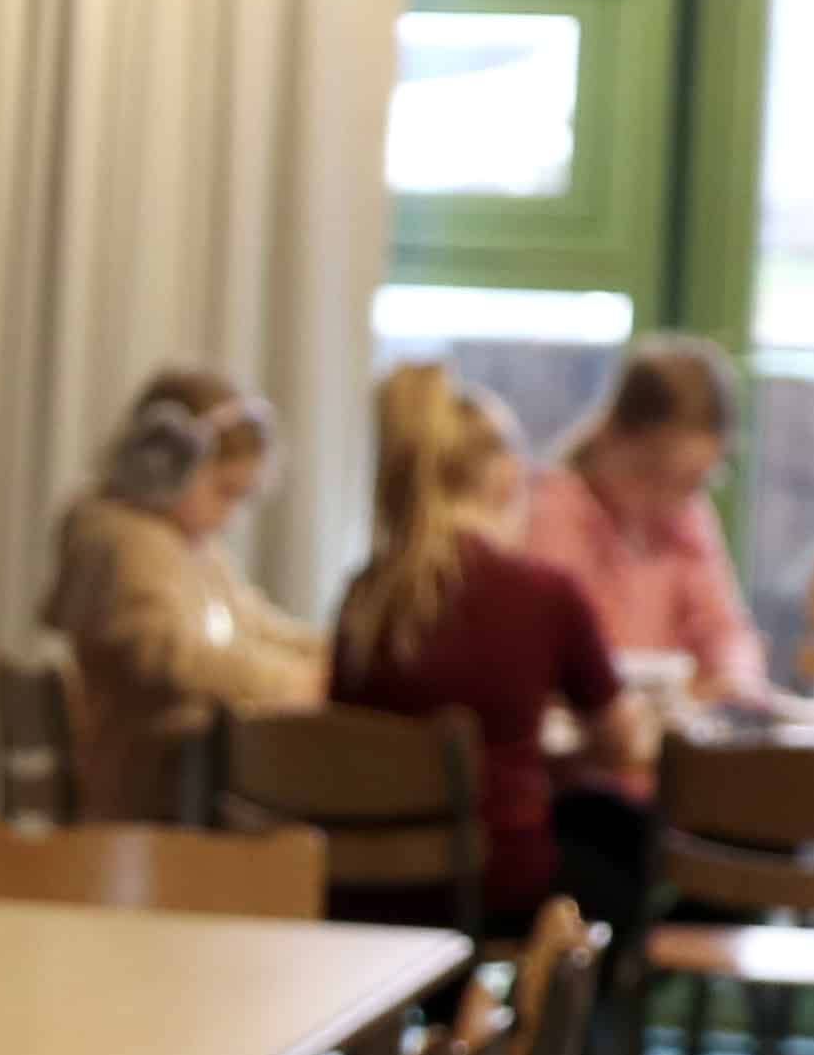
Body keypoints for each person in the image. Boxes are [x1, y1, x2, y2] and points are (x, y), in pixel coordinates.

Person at [336, 361, 645, 936]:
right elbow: (622, 744)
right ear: (505, 480)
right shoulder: (543, 594)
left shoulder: (365, 596)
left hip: (360, 886)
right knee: (629, 848)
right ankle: (568, 996)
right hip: (491, 883)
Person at [521, 332, 773, 902]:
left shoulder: (687, 516)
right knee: (614, 850)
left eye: (690, 484)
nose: (669, 499)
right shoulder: (553, 511)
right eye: (656, 475)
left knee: (765, 840)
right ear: (617, 437)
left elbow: (725, 628)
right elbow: (563, 664)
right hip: (583, 779)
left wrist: (734, 681)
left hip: (672, 778)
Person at [46, 365, 323, 818]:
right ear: (161, 463)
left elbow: (255, 623)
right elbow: (172, 655)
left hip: (180, 782)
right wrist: (295, 682)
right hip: (147, 791)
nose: (229, 515)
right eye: (223, 491)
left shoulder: (191, 547)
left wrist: (338, 655)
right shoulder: (125, 542)